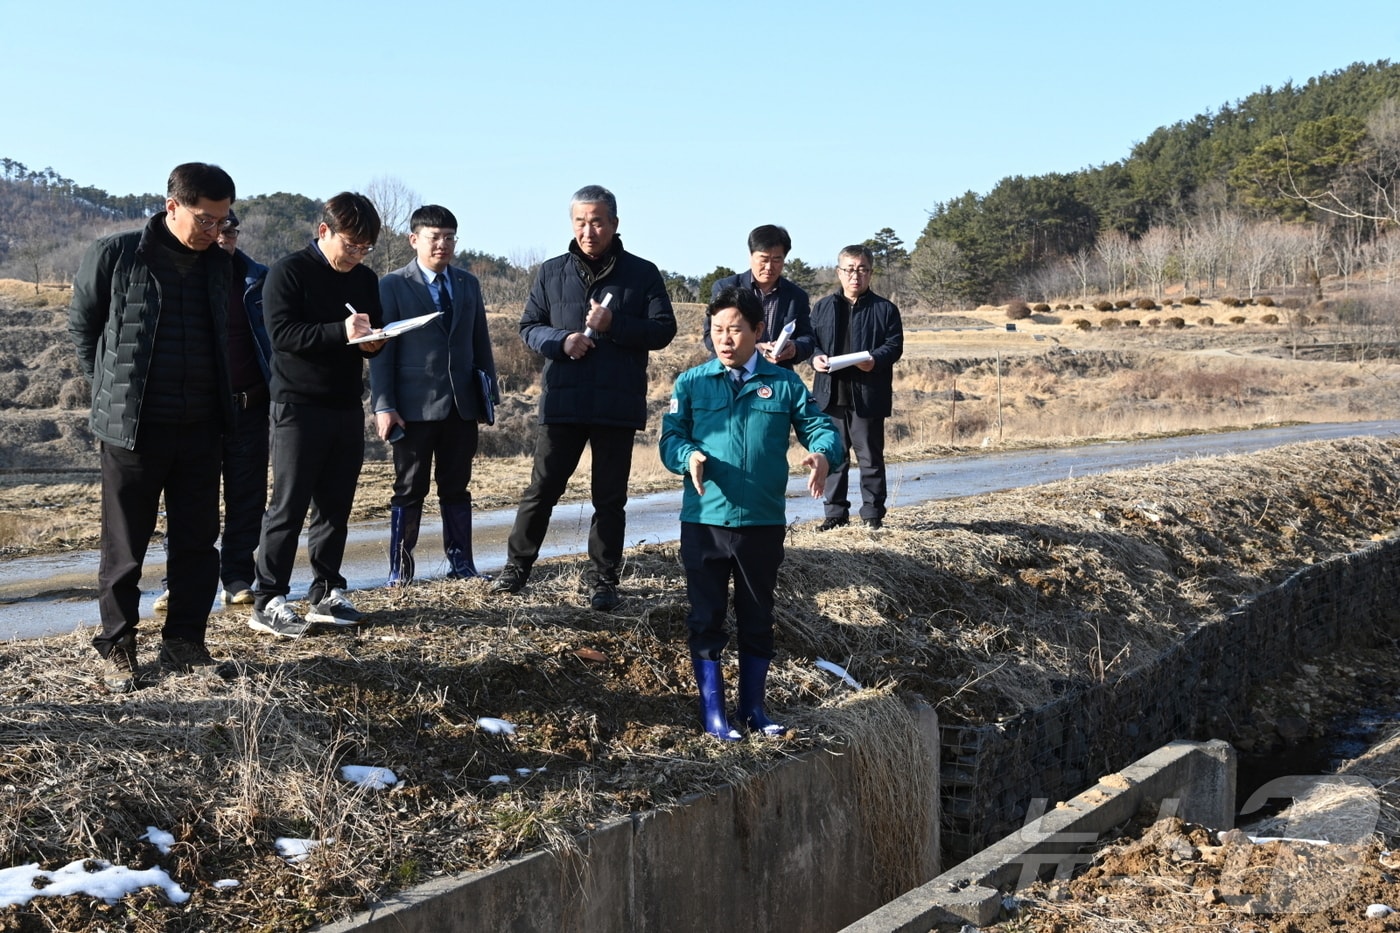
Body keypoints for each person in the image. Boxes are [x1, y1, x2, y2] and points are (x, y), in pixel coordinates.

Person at [67, 162, 238, 691]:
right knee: (125, 547)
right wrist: (110, 390)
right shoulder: (116, 255)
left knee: (197, 543)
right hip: (132, 432)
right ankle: (118, 647)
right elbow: (83, 327)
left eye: (223, 221)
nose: (215, 231)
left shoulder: (219, 265)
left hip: (201, 428)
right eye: (206, 220)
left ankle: (185, 644)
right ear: (172, 206)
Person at [659, 286, 841, 740]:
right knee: (706, 617)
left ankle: (754, 708)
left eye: (735, 329)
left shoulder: (783, 384)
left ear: (758, 331)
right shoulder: (692, 383)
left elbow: (819, 427)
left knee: (757, 615)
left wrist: (822, 455)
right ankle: (714, 714)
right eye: (717, 330)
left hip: (761, 522)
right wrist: (687, 456)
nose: (724, 339)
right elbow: (669, 437)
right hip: (704, 520)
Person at [490, 185, 676, 611]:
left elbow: (663, 331)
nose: (588, 230)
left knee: (609, 499)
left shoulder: (642, 273)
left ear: (614, 223)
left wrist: (614, 323)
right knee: (542, 489)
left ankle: (603, 580)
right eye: (580, 221)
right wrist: (562, 341)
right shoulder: (551, 271)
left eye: (597, 221)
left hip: (617, 403)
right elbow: (528, 326)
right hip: (563, 402)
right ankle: (515, 570)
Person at [249, 193, 386, 638]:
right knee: (287, 507)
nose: (357, 254)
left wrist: (374, 342)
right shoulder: (288, 272)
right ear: (324, 231)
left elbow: (372, 330)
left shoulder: (365, 278)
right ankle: (268, 598)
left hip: (346, 403)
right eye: (351, 244)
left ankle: (327, 591)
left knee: (335, 507)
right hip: (297, 406)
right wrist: (339, 332)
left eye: (365, 247)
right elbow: (283, 334)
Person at [369, 204, 496, 585]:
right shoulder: (392, 285)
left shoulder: (467, 283)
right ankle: (401, 571)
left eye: (449, 237)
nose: (442, 244)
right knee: (409, 489)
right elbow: (381, 352)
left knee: (456, 487)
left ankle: (462, 566)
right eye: (434, 237)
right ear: (414, 240)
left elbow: (480, 343)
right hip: (412, 407)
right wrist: (384, 405)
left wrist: (488, 397)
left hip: (461, 406)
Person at [152, 208, 271, 611]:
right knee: (188, 501)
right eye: (213, 226)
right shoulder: (182, 276)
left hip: (248, 406)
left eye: (230, 228)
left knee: (247, 498)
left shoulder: (258, 280)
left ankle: (237, 576)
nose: (222, 235)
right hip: (196, 410)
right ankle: (178, 583)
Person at [809, 244, 904, 531]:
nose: (855, 276)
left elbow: (894, 346)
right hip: (830, 393)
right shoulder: (823, 307)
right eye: (849, 269)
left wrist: (874, 360)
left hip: (867, 394)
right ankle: (835, 514)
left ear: (870, 273)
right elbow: (809, 342)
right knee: (834, 456)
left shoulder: (884, 309)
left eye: (862, 269)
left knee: (870, 457)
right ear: (838, 272)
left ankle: (873, 514)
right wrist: (815, 358)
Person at [704, 224, 814, 369]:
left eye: (776, 260)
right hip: (730, 373)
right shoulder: (726, 287)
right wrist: (751, 349)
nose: (769, 267)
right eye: (763, 259)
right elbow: (710, 336)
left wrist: (794, 348)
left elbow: (808, 339)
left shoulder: (796, 296)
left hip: (777, 376)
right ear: (751, 256)